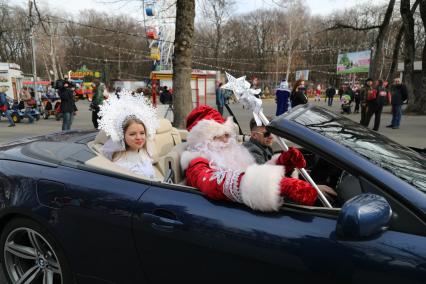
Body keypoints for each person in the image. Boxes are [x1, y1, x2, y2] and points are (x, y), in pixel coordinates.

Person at [180, 105, 336, 212]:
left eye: (229, 134)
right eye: (221, 136)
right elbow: (216, 183)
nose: (228, 140)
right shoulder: (196, 163)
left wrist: (282, 162)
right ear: (205, 139)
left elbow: (252, 171)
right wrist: (281, 184)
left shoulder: (231, 152)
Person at [98, 92, 159, 179]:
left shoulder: (143, 153)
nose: (139, 138)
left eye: (142, 133)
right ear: (123, 136)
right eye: (132, 134)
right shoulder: (121, 163)